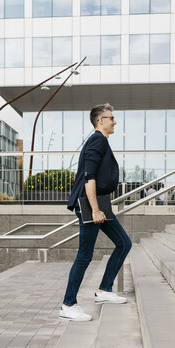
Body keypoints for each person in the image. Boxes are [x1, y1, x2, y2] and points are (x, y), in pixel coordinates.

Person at [59, 103, 132, 322]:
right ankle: (68, 304)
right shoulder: (97, 140)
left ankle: (104, 290)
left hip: (99, 203)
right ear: (100, 121)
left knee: (124, 243)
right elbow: (88, 177)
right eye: (111, 118)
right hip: (91, 204)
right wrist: (95, 210)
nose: (114, 121)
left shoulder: (100, 141)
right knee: (84, 255)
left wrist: (100, 207)